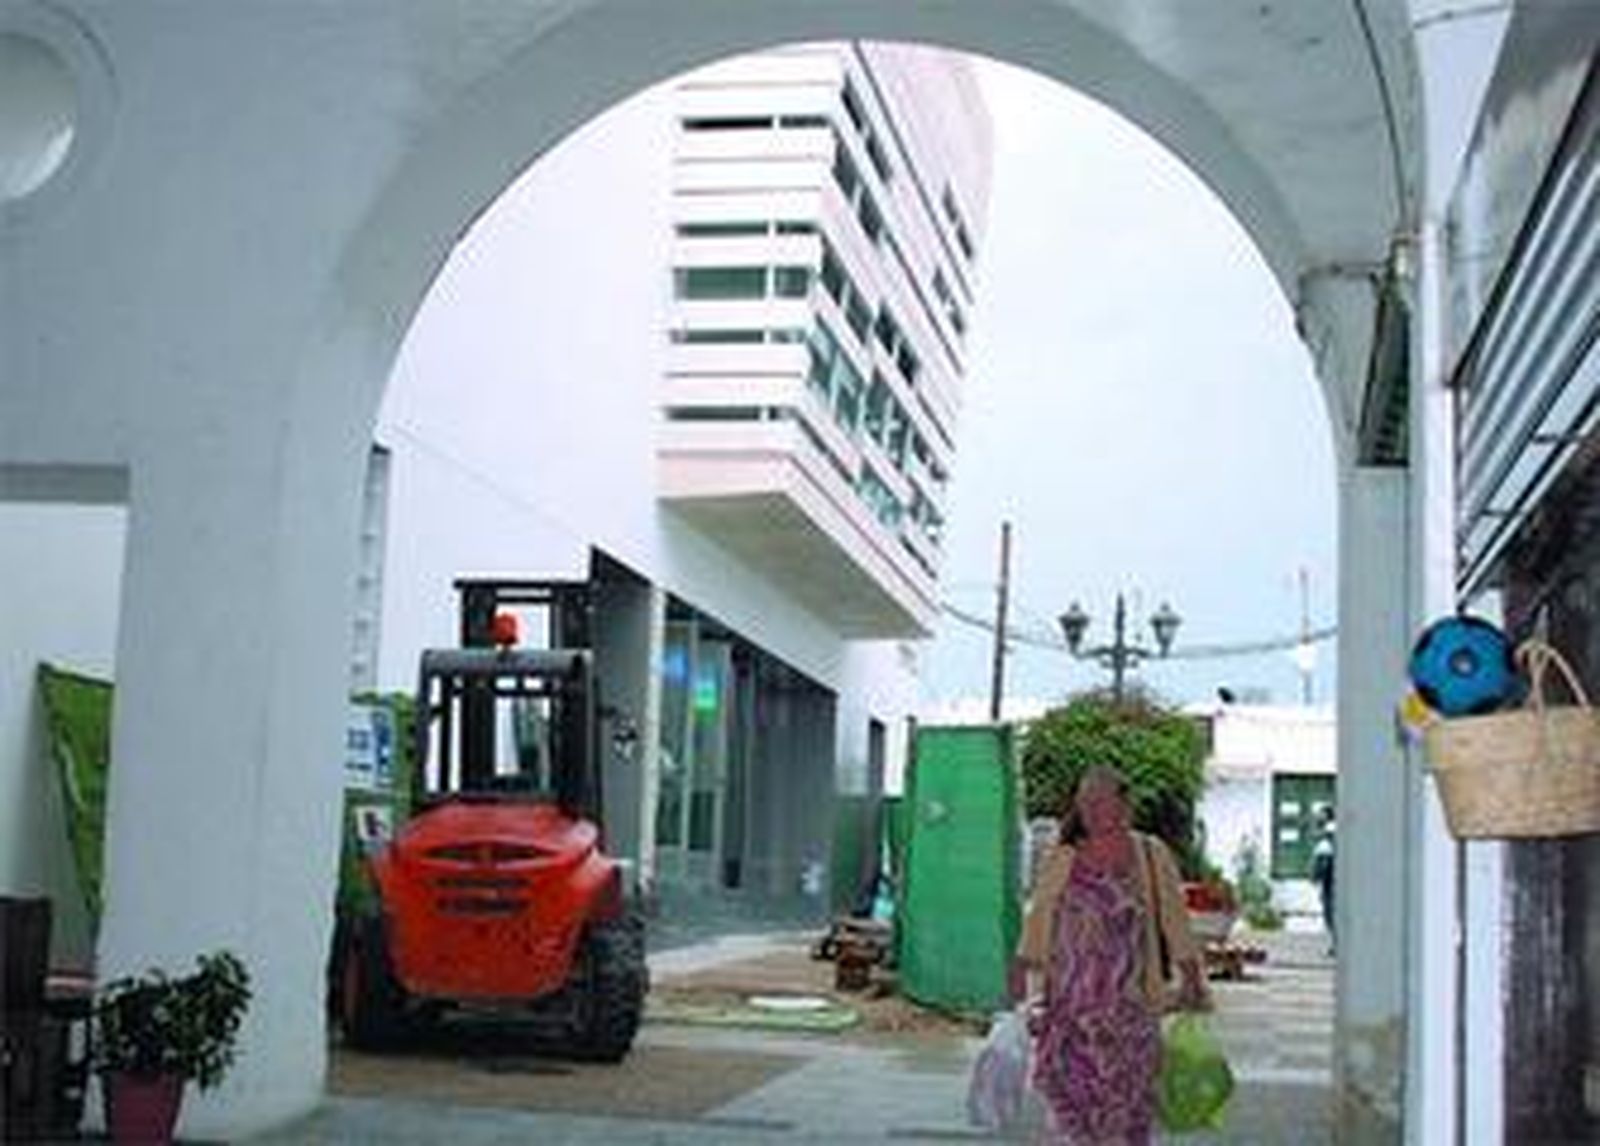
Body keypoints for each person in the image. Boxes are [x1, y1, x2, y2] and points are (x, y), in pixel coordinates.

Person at [1016, 765, 1208, 1145]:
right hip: (1069, 1017)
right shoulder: (1064, 857)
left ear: (1124, 805)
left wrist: (1191, 978)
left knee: (1126, 1116)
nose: (1089, 808)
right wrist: (1021, 973)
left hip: (1130, 1017)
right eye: (1084, 800)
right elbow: (1039, 919)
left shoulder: (1151, 856)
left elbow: (1175, 920)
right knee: (1075, 1116)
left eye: (1099, 800)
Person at [1311, 806, 1336, 947]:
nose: (1318, 818)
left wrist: (1316, 876)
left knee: (1330, 913)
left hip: (1330, 882)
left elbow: (1324, 861)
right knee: (1330, 913)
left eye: (1321, 815)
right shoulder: (1328, 835)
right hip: (1330, 881)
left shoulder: (1328, 835)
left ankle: (1335, 944)